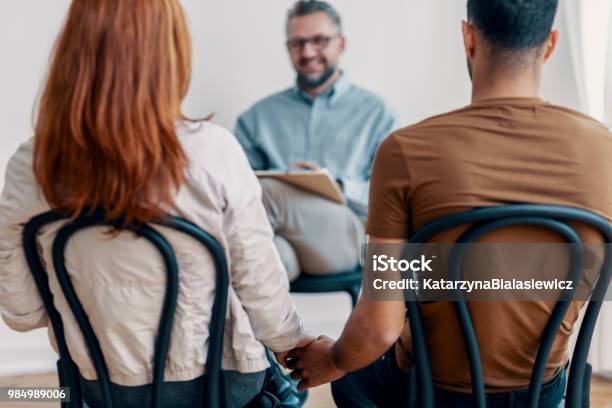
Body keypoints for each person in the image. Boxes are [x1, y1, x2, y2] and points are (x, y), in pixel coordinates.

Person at [284, 0, 612, 406]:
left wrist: (332, 360)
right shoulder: (604, 149)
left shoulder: (405, 150)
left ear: (468, 39)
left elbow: (378, 329)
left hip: (432, 392)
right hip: (542, 391)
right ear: (550, 44)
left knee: (351, 380)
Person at [0, 1, 313, 407]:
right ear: (171, 55)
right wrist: (299, 344)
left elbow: (21, 313)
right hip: (215, 388)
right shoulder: (213, 153)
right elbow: (267, 306)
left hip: (99, 387)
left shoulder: (30, 166)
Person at [235, 0, 397, 281]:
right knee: (270, 257)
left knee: (266, 192)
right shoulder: (257, 117)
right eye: (297, 43)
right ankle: (282, 326)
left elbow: (393, 197)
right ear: (288, 48)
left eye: (319, 40)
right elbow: (235, 189)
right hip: (280, 241)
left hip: (345, 238)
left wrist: (337, 185)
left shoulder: (377, 112)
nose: (308, 52)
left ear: (341, 43)